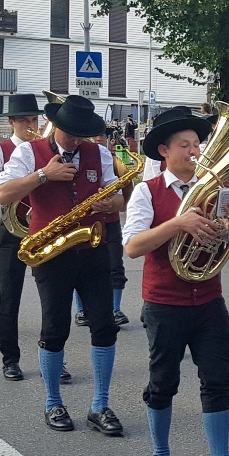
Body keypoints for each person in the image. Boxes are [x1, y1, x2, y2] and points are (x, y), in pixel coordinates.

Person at [122, 107, 229, 456]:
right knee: (163, 382)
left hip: (209, 300)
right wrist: (177, 224)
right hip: (164, 302)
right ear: (164, 151)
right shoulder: (147, 192)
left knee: (217, 381)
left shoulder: (216, 190)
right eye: (185, 145)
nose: (194, 151)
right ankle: (160, 455)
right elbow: (132, 247)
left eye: (197, 144)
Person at [0, 95, 126, 436]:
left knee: (104, 326)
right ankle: (53, 402)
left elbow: (118, 195)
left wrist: (113, 202)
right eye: (69, 133)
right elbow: (3, 194)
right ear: (55, 126)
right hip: (50, 252)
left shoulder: (99, 153)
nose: (75, 141)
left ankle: (100, 405)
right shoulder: (29, 152)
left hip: (91, 247)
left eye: (80, 135)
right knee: (55, 328)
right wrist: (44, 175)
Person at [0, 94, 44, 381]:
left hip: (44, 227)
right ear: (11, 123)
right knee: (10, 296)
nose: (31, 126)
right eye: (24, 120)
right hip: (13, 229)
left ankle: (52, 357)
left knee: (52, 298)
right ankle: (10, 359)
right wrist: (20, 175)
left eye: (34, 120)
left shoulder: (44, 149)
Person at [75, 133, 131, 328]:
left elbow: (124, 194)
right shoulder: (77, 157)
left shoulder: (110, 159)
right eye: (94, 136)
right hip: (86, 222)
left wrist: (112, 202)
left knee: (115, 266)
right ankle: (81, 310)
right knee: (79, 268)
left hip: (110, 220)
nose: (98, 139)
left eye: (102, 136)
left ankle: (115, 309)